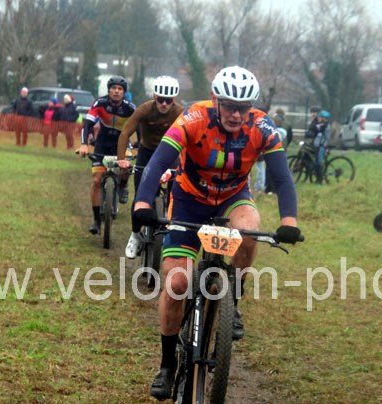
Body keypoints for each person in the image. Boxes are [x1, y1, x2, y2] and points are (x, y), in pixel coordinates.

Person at [130, 66, 301, 400]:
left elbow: (282, 177)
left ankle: (232, 295)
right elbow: (158, 163)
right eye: (230, 106)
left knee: (250, 229)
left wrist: (289, 221)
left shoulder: (262, 127)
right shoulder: (193, 118)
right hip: (188, 201)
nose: (236, 114)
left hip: (232, 199)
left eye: (244, 107)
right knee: (177, 284)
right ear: (214, 100)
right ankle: (166, 365)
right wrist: (142, 203)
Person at [116, 75, 185, 259]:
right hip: (146, 153)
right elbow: (125, 133)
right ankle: (135, 234)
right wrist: (121, 159)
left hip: (170, 155)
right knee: (140, 196)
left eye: (168, 100)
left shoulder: (181, 112)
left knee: (176, 193)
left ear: (174, 99)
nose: (164, 104)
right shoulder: (145, 109)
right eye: (160, 99)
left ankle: (169, 225)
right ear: (155, 96)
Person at [78, 76, 136, 234]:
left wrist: (141, 144)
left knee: (127, 166)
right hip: (102, 144)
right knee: (96, 181)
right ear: (109, 90)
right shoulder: (100, 103)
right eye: (113, 88)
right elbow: (88, 123)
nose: (116, 91)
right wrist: (84, 144)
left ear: (124, 92)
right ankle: (96, 220)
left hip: (122, 144)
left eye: (120, 89)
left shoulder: (130, 108)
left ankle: (123, 185)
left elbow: (140, 128)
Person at [313, 110, 332, 183]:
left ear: (324, 118)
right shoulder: (322, 125)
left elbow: (325, 136)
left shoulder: (326, 126)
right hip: (318, 145)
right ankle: (318, 178)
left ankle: (320, 179)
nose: (318, 118)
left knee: (319, 162)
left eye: (320, 117)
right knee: (317, 161)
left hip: (322, 146)